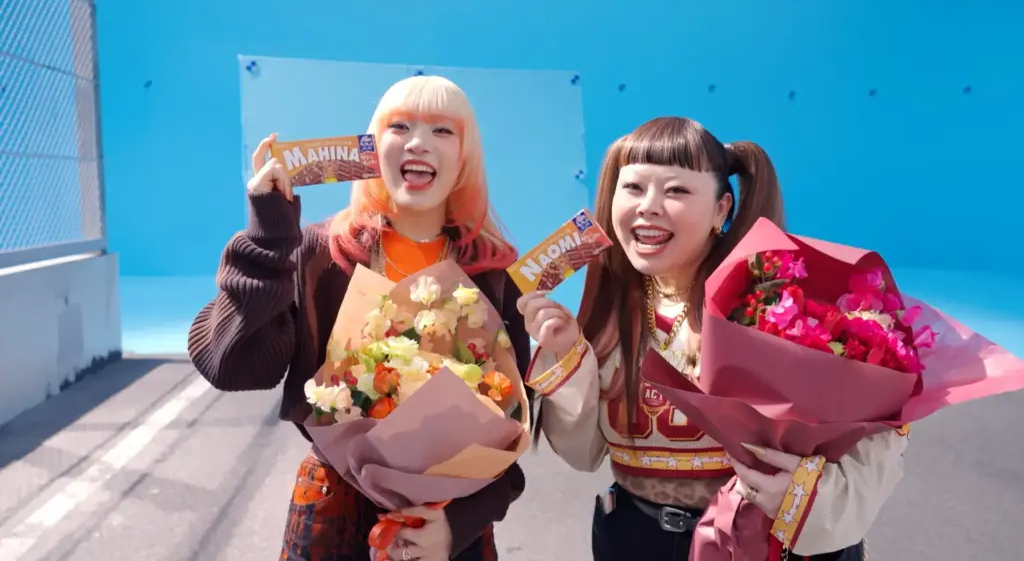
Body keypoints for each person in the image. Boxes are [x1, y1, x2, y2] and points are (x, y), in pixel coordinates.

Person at [518, 117, 907, 560]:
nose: (648, 206)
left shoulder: (778, 305)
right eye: (633, 188)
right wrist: (568, 354)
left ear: (722, 210)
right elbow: (583, 455)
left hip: (757, 541)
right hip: (634, 538)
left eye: (676, 190)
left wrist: (808, 499)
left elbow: (877, 433)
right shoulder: (608, 313)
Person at [188, 75, 533, 561]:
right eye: (400, 127)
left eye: (442, 130)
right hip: (331, 514)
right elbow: (231, 365)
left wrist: (458, 524)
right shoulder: (320, 254)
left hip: (451, 526)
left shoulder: (495, 273)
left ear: (464, 157)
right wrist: (268, 236)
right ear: (372, 146)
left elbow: (515, 426)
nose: (418, 142)